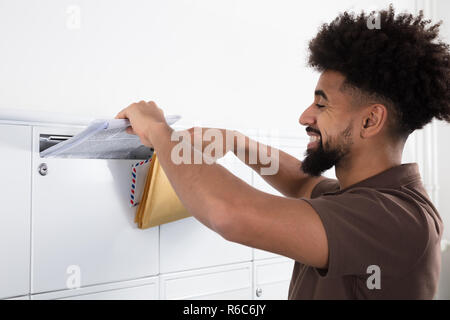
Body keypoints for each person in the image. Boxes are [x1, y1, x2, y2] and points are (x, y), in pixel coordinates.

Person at [116, 5, 450, 299]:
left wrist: (160, 132)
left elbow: (230, 213)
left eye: (322, 104)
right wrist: (235, 142)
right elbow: (303, 184)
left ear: (370, 120)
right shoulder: (365, 197)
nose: (305, 116)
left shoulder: (396, 219)